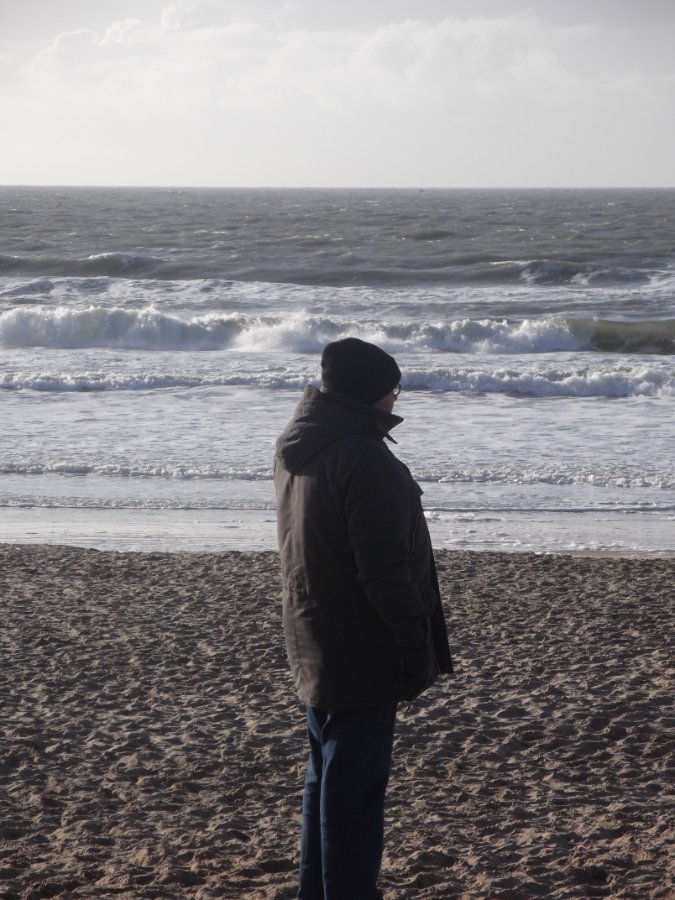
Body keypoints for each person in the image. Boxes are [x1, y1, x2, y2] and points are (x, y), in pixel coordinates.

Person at [274, 337, 452, 900]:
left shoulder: (301, 441)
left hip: (313, 628)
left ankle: (317, 890)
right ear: (370, 393)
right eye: (393, 390)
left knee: (325, 777)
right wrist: (416, 643)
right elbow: (385, 572)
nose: (396, 399)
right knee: (354, 789)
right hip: (359, 641)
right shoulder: (363, 457)